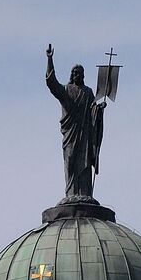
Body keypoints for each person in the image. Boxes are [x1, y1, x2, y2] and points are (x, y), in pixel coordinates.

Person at [46, 44, 105, 202]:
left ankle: (85, 193)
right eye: (74, 72)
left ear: (83, 75)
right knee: (70, 163)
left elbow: (93, 111)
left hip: (85, 135)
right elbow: (52, 84)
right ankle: (71, 194)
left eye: (79, 73)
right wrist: (50, 59)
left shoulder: (88, 92)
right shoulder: (66, 90)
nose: (77, 75)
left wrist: (99, 110)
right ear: (71, 75)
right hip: (71, 136)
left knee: (85, 164)